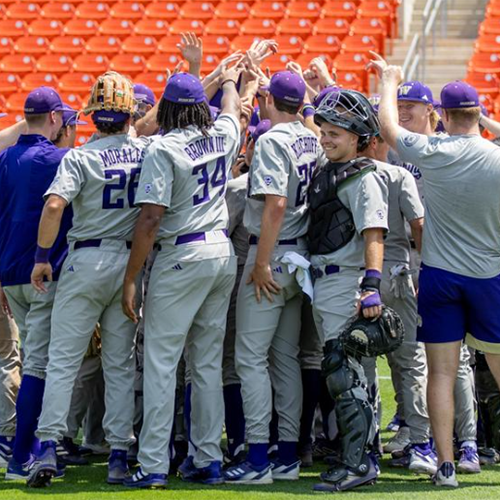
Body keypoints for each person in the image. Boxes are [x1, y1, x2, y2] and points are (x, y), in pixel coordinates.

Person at [372, 53, 500, 488]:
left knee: (441, 374)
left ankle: (445, 466)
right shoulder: (496, 155)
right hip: (489, 275)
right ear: (479, 114)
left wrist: (389, 82)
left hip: (440, 274)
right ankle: (467, 453)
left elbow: (389, 129)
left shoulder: (435, 151)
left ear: (442, 115)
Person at [27, 71, 153, 488]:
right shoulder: (145, 152)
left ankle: (47, 446)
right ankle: (119, 453)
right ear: (128, 114)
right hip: (129, 263)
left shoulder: (79, 157)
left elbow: (54, 206)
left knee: (63, 360)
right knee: (119, 364)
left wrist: (43, 257)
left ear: (94, 115)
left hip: (87, 258)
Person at [121, 69, 242, 489]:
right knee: (206, 364)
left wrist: (131, 278)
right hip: (220, 251)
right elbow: (231, 111)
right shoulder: (224, 136)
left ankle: (153, 463)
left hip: (182, 253)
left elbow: (151, 217)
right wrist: (230, 81)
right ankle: (206, 458)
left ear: (168, 108)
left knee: (160, 362)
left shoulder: (164, 148)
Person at [224, 71, 321, 485]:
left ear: (267, 99)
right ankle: (288, 454)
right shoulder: (312, 136)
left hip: (275, 254)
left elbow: (276, 203)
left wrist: (261, 262)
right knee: (285, 360)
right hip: (301, 256)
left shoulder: (270, 140)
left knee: (250, 359)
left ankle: (259, 458)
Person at [385, 81, 480, 473]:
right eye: (399, 105)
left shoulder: (447, 148)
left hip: (444, 258)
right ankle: (414, 427)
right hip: (405, 255)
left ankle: (469, 441)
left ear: (432, 111)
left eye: (412, 105)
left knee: (454, 360)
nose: (404, 111)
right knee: (408, 353)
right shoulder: (395, 150)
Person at [308, 89, 388, 492]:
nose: (326, 137)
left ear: (357, 137)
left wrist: (371, 286)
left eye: (335, 132)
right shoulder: (331, 169)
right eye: (324, 130)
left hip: (347, 280)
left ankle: (359, 464)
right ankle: (361, 457)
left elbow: (373, 232)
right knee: (348, 374)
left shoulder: (363, 176)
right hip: (324, 279)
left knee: (346, 373)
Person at [0, 87, 71, 481]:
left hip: (10, 273)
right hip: (42, 273)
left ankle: (22, 448)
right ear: (56, 118)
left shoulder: (5, 158)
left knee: (31, 359)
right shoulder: (60, 159)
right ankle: (20, 456)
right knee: (39, 365)